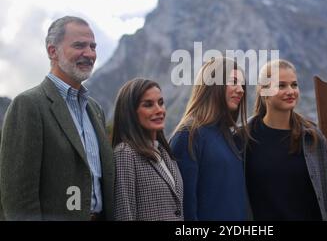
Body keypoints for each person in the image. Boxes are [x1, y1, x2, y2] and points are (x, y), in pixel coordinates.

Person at [0, 16, 114, 221]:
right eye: (79, 45)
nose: (89, 53)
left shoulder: (95, 109)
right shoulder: (29, 105)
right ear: (53, 51)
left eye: (93, 46)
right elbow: (18, 199)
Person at [245, 59, 327, 221]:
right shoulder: (244, 137)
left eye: (294, 85)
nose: (291, 91)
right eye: (281, 85)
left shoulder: (312, 137)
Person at [170, 57, 250, 220]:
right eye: (233, 81)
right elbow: (185, 207)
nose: (241, 90)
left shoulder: (229, 137)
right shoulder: (188, 135)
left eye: (242, 84)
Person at [112, 78, 183, 221]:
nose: (159, 110)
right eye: (148, 105)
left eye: (161, 103)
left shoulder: (165, 153)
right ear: (131, 112)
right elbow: (124, 214)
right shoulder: (125, 153)